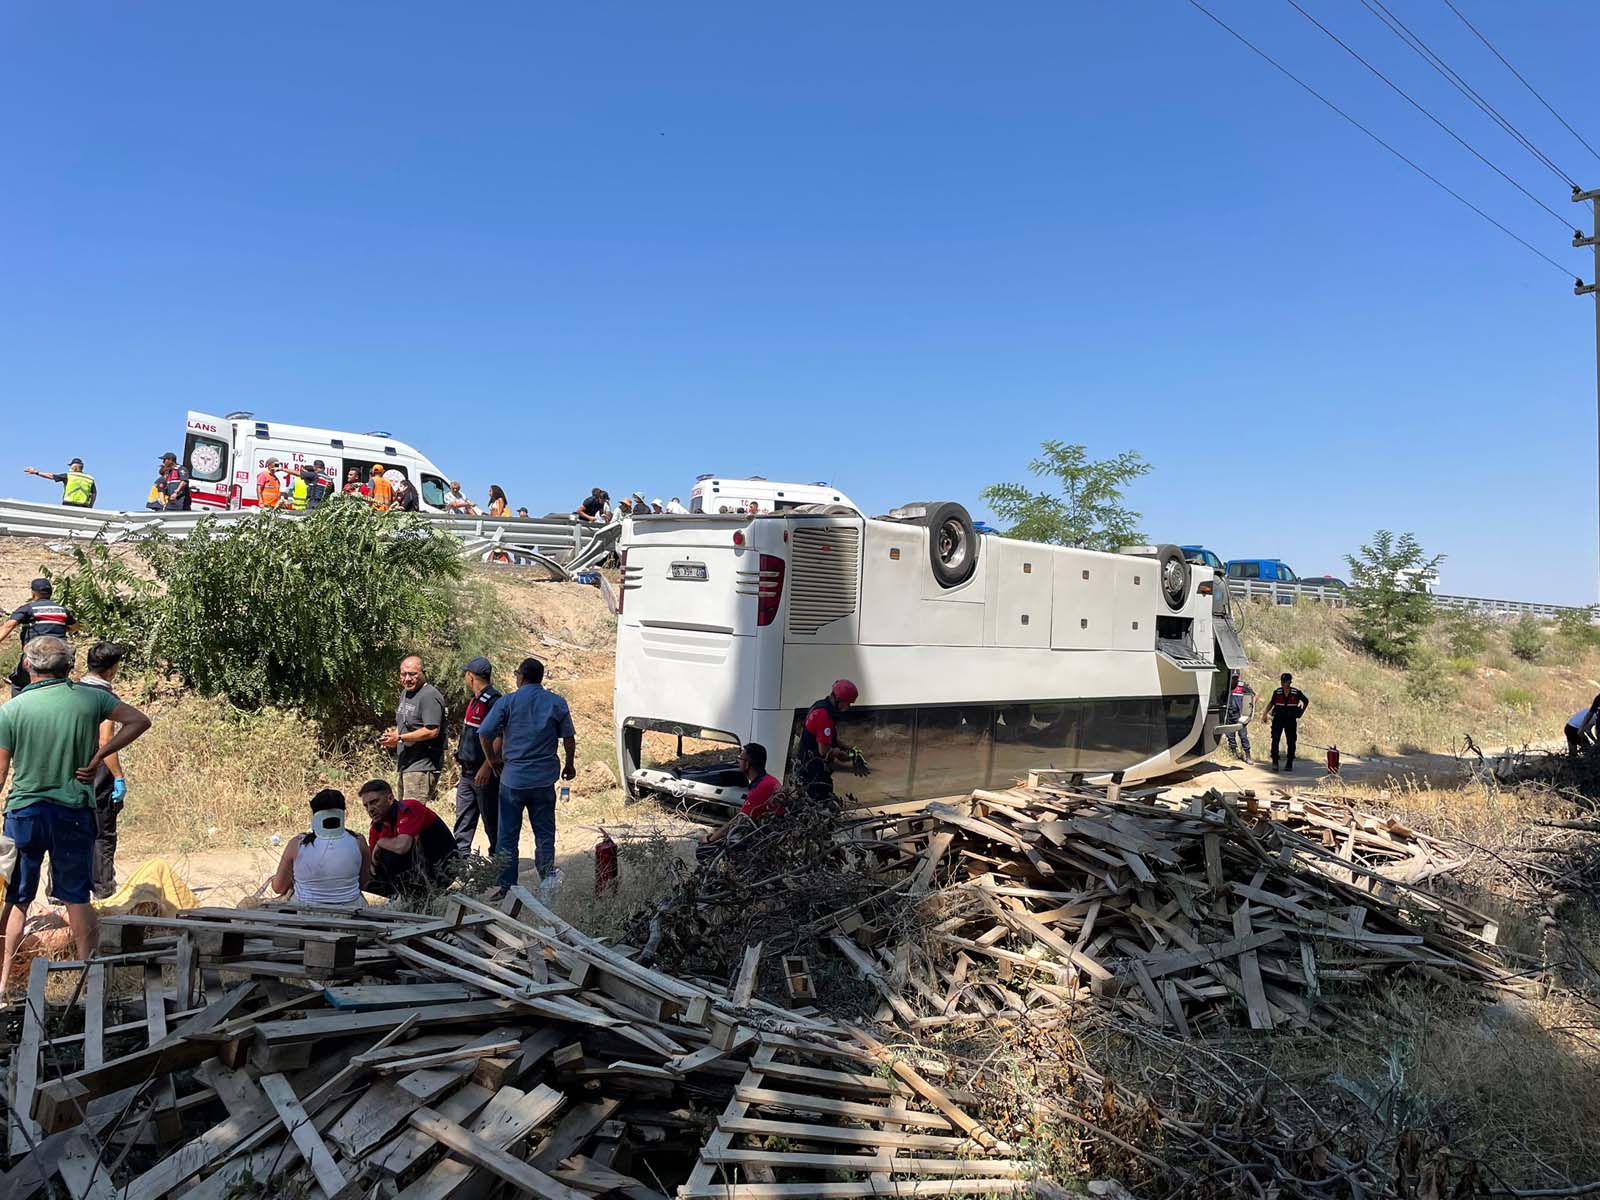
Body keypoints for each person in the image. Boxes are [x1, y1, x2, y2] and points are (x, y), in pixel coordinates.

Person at [0, 637, 151, 995]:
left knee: (16, 899)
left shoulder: (12, 710)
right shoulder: (91, 698)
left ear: (27, 664)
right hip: (73, 810)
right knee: (77, 897)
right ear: (69, 666)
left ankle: (3, 984)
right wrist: (101, 757)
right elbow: (138, 721)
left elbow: (1, 772)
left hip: (24, 813)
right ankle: (89, 983)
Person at [477, 656, 576, 898]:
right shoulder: (556, 702)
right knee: (544, 832)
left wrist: (492, 760)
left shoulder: (508, 702)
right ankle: (546, 881)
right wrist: (570, 765)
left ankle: (507, 887)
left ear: (520, 676)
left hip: (513, 780)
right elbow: (569, 738)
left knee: (507, 835)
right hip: (543, 780)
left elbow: (484, 733)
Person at [78, 642, 131, 899]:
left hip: (71, 770)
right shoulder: (105, 698)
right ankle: (103, 891)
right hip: (97, 772)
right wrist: (119, 777)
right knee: (102, 834)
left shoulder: (71, 690)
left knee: (70, 832)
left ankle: (59, 893)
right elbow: (105, 741)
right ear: (112, 670)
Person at [270, 789, 371, 904]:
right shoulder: (359, 841)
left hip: (305, 912)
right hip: (351, 909)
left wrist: (276, 880)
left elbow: (278, 888)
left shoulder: (296, 844)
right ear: (343, 814)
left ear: (315, 816)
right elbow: (364, 883)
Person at [359, 778, 457, 897]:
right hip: (418, 870)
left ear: (390, 799)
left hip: (445, 867)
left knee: (391, 853)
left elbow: (402, 847)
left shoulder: (409, 808)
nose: (370, 809)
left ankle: (418, 894)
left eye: (374, 802)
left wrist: (380, 843)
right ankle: (405, 896)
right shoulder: (376, 827)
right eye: (366, 805)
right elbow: (373, 866)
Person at [452, 656, 502, 856]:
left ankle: (499, 863)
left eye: (466, 674)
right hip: (467, 772)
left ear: (471, 676)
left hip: (484, 774)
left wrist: (487, 766)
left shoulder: (493, 700)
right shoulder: (475, 700)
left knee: (492, 821)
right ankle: (460, 863)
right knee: (463, 819)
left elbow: (500, 736)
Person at [381, 655, 446, 802]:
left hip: (422, 766)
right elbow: (405, 724)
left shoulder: (430, 696)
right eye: (404, 674)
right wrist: (393, 737)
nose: (407, 679)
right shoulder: (406, 693)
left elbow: (431, 730)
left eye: (413, 674)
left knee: (412, 817)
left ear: (423, 673)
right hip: (406, 763)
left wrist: (400, 738)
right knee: (403, 814)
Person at [0, 578, 79, 697]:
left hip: (36, 656)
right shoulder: (62, 610)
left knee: (18, 683)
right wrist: (63, 628)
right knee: (57, 686)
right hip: (60, 659)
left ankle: (18, 712)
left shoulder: (29, 609)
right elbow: (76, 627)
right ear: (51, 593)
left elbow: (9, 625)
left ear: (33, 593)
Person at [702, 744, 785, 848]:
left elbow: (738, 822)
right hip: (775, 832)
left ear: (747, 764)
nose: (738, 761)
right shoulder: (769, 780)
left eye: (740, 758)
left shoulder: (759, 789)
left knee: (704, 850)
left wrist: (710, 839)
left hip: (770, 840)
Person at [795, 679, 865, 796]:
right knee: (822, 803)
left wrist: (849, 748)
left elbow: (828, 739)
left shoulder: (821, 705)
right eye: (847, 703)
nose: (848, 707)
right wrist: (846, 756)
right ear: (838, 699)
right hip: (813, 772)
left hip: (807, 766)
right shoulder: (824, 715)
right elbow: (824, 751)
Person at [1263, 672, 1310, 771]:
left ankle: (1289, 762)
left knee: (1291, 741)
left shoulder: (1296, 692)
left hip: (1291, 720)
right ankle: (1275, 761)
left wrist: (1301, 712)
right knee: (1275, 739)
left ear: (1290, 682)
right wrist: (1265, 714)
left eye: (1285, 681)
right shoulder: (1277, 692)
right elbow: (1271, 703)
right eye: (1282, 681)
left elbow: (1306, 701)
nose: (1283, 683)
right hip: (1278, 719)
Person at [24, 458, 96, 508]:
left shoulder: (69, 475)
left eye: (70, 466)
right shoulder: (89, 478)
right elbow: (94, 494)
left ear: (74, 467)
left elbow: (51, 476)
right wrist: (90, 506)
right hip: (84, 506)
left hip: (69, 504)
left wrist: (37, 472)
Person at [1225, 677, 1254, 762]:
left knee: (1243, 736)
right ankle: (1234, 753)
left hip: (1240, 715)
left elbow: (1252, 697)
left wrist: (1248, 712)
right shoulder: (1226, 685)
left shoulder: (1242, 686)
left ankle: (1248, 755)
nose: (1234, 680)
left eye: (1235, 678)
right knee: (1230, 735)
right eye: (1232, 678)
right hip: (1229, 714)